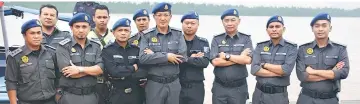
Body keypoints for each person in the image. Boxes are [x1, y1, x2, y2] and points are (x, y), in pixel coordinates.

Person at [139, 2, 187, 104]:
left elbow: (183, 58)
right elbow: (143, 58)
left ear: (170, 17)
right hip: (154, 84)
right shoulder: (146, 35)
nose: (162, 18)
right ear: (154, 17)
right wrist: (166, 57)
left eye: (166, 15)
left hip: (173, 83)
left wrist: (154, 55)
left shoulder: (178, 34)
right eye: (159, 15)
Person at [296, 13, 350, 104]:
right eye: (317, 26)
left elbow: (343, 73)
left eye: (324, 25)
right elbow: (302, 76)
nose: (320, 29)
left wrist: (313, 72)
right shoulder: (303, 49)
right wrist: (332, 73)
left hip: (330, 99)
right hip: (306, 99)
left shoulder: (340, 49)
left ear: (330, 28)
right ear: (312, 29)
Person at [55, 13, 104, 104]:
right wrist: (92, 70)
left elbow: (101, 69)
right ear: (71, 28)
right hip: (70, 96)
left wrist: (79, 69)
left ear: (89, 28)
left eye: (84, 27)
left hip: (92, 96)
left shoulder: (96, 46)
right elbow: (70, 73)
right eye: (77, 27)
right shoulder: (63, 46)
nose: (81, 30)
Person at [5, 19, 57, 104]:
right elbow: (11, 82)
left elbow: (58, 78)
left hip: (50, 101)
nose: (36, 36)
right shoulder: (15, 57)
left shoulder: (51, 53)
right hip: (27, 102)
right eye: (32, 33)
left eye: (38, 33)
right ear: (24, 36)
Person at [250, 15, 297, 104]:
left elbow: (286, 70)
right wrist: (279, 73)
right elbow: (254, 70)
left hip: (278, 96)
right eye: (271, 27)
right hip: (259, 94)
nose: (274, 29)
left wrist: (264, 65)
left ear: (283, 29)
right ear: (267, 30)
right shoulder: (260, 46)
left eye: (277, 26)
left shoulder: (291, 48)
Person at [209, 8, 253, 104]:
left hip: (239, 88)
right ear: (222, 22)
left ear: (239, 21)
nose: (229, 23)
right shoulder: (216, 39)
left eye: (233, 20)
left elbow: (248, 60)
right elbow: (215, 62)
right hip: (219, 87)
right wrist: (240, 57)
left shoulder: (246, 39)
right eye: (226, 20)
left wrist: (227, 56)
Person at [102, 18, 144, 104]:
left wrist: (123, 70)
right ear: (113, 33)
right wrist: (132, 68)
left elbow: (143, 71)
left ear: (130, 33)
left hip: (135, 93)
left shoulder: (136, 50)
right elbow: (113, 71)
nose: (123, 33)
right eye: (120, 30)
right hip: (116, 93)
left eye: (126, 30)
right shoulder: (107, 50)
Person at [179, 11, 209, 104]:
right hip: (178, 85)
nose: (189, 26)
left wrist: (186, 59)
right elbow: (175, 61)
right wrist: (192, 58)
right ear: (182, 24)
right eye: (186, 23)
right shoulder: (176, 42)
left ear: (198, 24)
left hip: (196, 87)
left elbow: (204, 62)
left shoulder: (203, 43)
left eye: (192, 23)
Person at [86, 5, 115, 104]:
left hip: (111, 78)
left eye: (104, 17)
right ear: (93, 18)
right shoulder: (87, 35)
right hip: (92, 79)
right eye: (99, 17)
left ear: (109, 18)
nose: (102, 20)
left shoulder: (114, 35)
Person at [128, 8, 151, 103]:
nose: (142, 22)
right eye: (139, 20)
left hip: (152, 80)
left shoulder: (157, 38)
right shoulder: (130, 40)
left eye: (144, 19)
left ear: (149, 20)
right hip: (135, 81)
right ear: (135, 22)